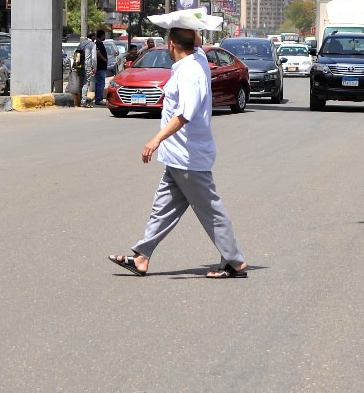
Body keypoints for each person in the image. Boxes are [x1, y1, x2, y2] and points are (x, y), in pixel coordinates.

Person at [109, 27, 247, 278]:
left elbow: (185, 113)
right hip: (177, 157)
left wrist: (156, 139)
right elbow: (194, 41)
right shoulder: (199, 59)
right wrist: (186, 21)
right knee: (162, 209)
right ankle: (142, 256)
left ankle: (234, 261)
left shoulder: (191, 71)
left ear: (171, 44)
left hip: (188, 156)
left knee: (210, 210)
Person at [66, 31, 96, 107]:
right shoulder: (92, 44)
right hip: (87, 66)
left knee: (80, 83)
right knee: (86, 83)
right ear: (92, 37)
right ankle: (83, 101)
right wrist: (94, 67)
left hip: (79, 66)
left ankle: (79, 101)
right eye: (94, 37)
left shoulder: (81, 44)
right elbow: (94, 58)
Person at [94, 29, 108, 106]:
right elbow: (97, 52)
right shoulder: (98, 43)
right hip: (100, 67)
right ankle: (99, 99)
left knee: (99, 83)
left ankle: (98, 98)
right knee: (100, 83)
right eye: (104, 35)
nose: (104, 37)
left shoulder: (99, 43)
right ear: (102, 35)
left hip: (100, 67)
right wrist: (104, 59)